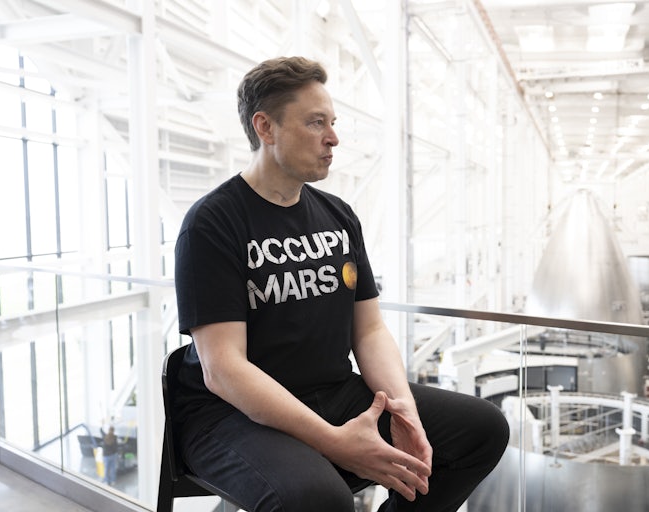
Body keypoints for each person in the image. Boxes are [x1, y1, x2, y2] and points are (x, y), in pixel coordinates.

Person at [173, 56, 509, 512]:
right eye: (316, 123)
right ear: (265, 127)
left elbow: (368, 331)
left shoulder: (338, 216)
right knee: (318, 500)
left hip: (331, 392)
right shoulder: (213, 223)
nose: (334, 138)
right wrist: (334, 442)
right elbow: (224, 369)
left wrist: (403, 410)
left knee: (482, 430)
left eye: (332, 122)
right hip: (230, 415)